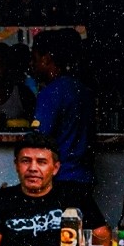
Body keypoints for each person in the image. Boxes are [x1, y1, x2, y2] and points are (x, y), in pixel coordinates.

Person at [31, 28, 94, 190]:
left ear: (46, 59)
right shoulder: (82, 90)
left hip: (60, 177)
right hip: (84, 176)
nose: (33, 65)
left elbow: (40, 137)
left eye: (35, 58)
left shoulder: (51, 93)